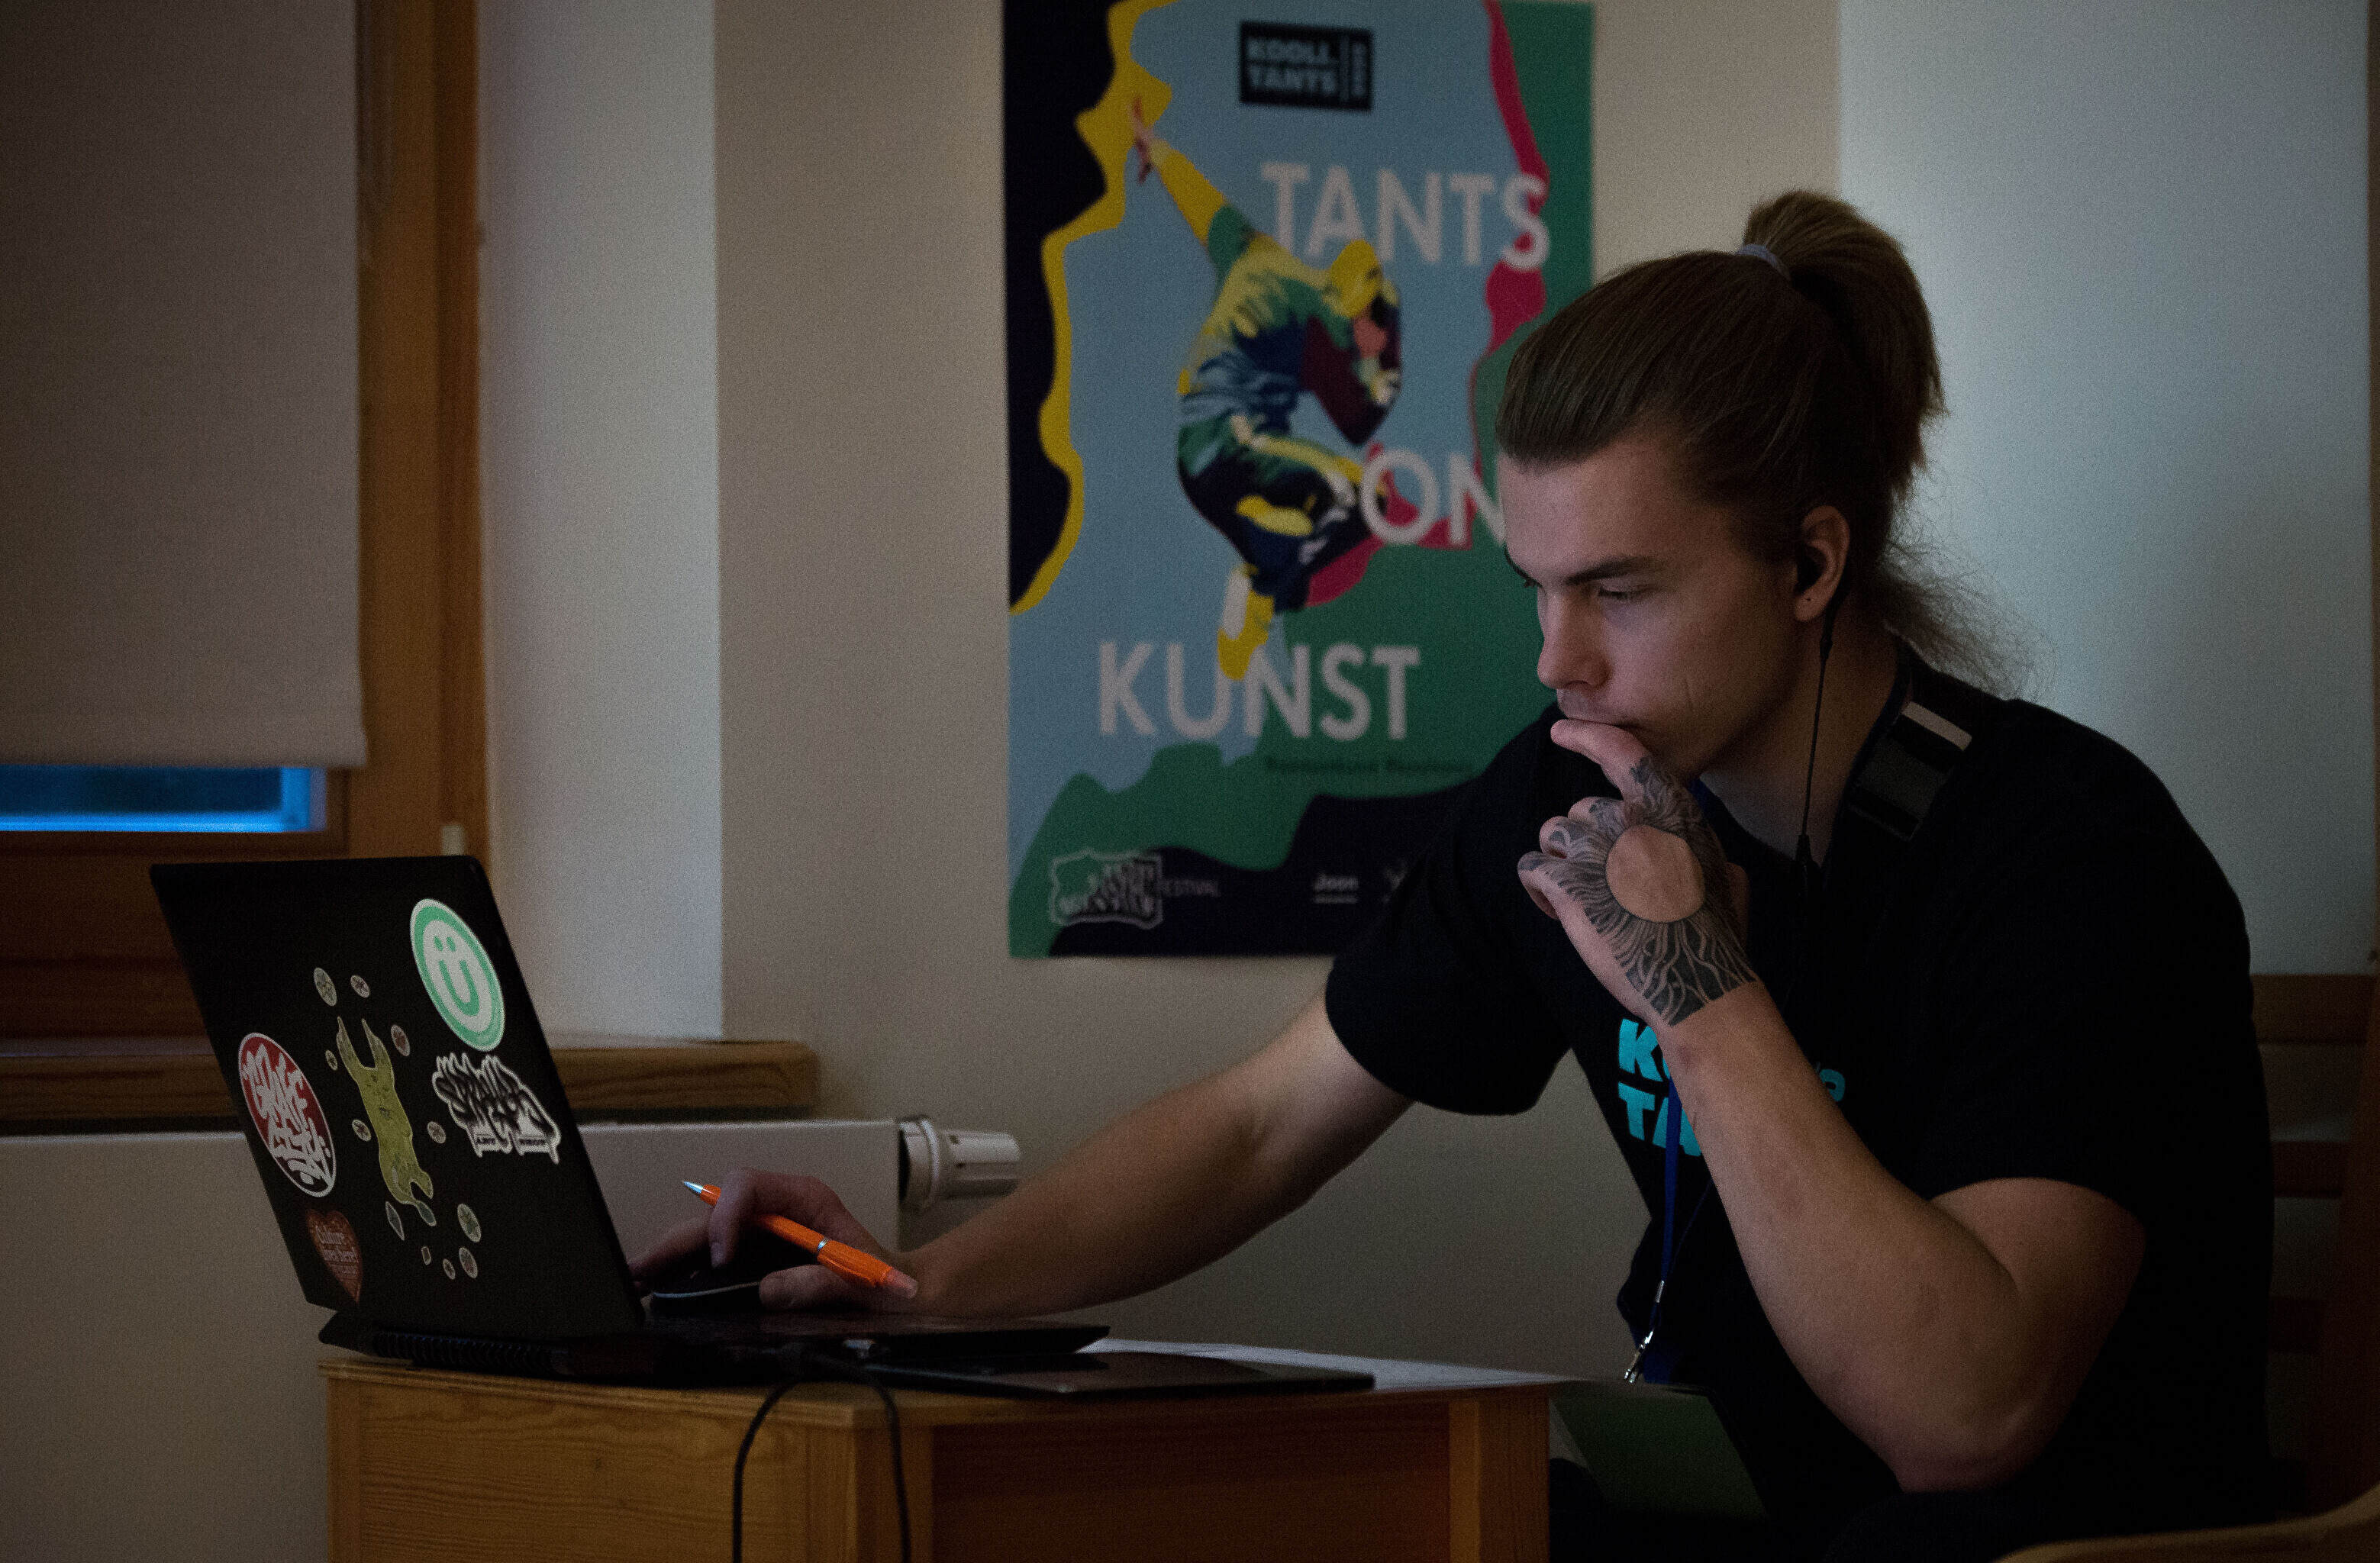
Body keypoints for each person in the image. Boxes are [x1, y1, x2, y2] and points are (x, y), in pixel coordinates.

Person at [633, 192, 2272, 1561]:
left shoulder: (2070, 860)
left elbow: (1962, 1420)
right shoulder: (1561, 794)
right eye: (1535, 587)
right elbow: (1263, 1122)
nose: (1557, 658)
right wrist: (911, 1291)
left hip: (2049, 1537)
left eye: (1618, 589)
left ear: (1808, 562)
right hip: (1725, 1510)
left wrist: (1697, 990)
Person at [1127, 102, 1404, 678]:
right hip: (1234, 443)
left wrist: (1160, 151)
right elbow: (1358, 424)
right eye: (1378, 329)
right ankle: (1263, 577)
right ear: (1361, 308)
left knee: (1317, 518)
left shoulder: (1256, 252)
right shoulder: (1325, 322)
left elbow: (1205, 206)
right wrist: (1388, 378)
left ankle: (1264, 551)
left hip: (1200, 459)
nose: (1373, 346)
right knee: (1362, 499)